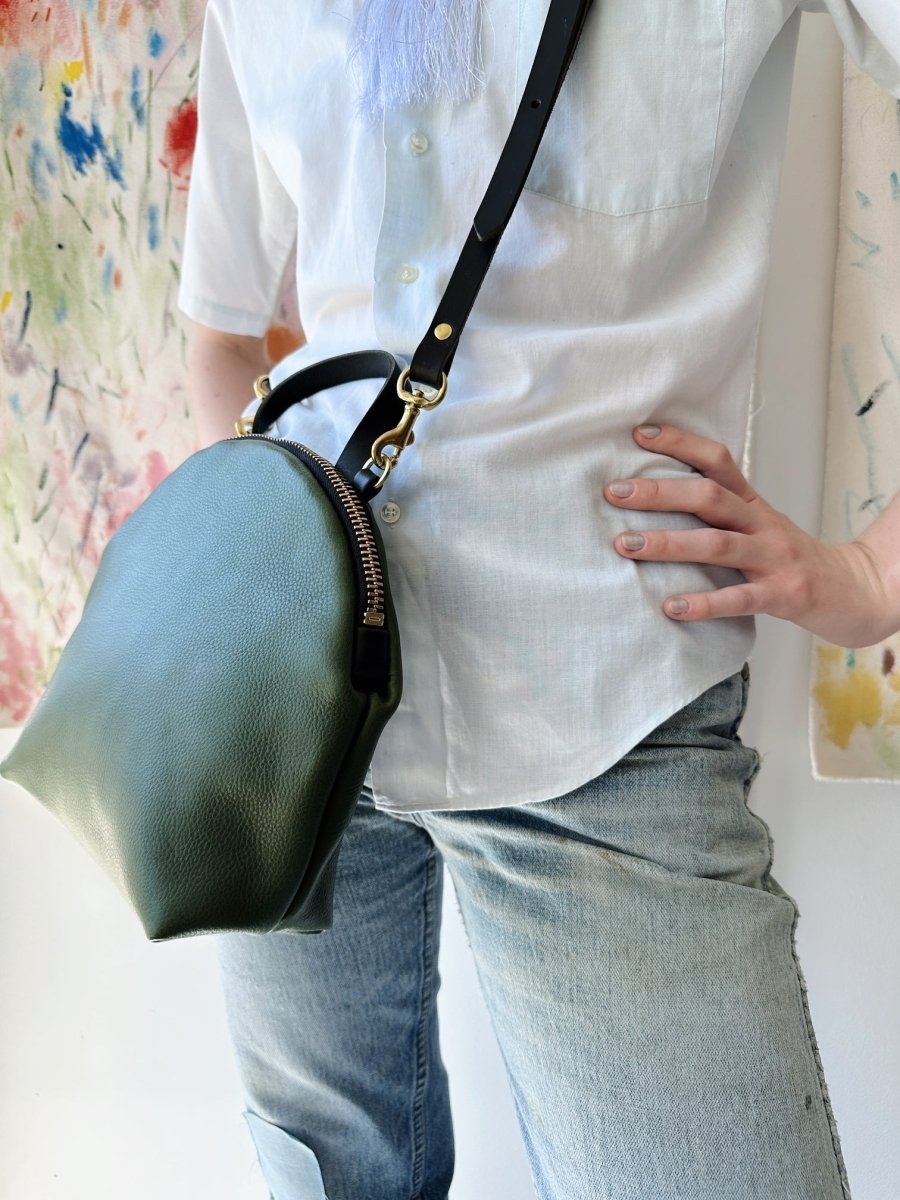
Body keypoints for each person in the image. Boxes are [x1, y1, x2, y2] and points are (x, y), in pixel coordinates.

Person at [177, 1, 900, 1196]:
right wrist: (247, 568)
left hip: (606, 709)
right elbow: (218, 336)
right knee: (319, 1174)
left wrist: (873, 576)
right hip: (285, 712)